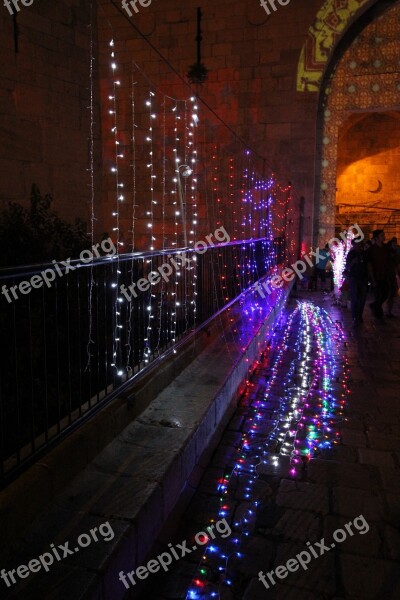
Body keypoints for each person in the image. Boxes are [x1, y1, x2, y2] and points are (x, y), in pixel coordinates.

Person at [366, 229, 388, 320]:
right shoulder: (371, 250)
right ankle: (379, 315)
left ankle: (375, 306)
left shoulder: (385, 248)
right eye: (382, 235)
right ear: (377, 238)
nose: (384, 237)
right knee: (379, 295)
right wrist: (372, 278)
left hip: (385, 274)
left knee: (385, 294)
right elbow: (369, 264)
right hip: (376, 276)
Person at [345, 239, 368, 325]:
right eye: (356, 244)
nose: (358, 245)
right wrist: (353, 262)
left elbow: (368, 265)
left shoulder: (365, 253)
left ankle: (359, 315)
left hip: (363, 278)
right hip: (354, 278)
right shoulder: (351, 254)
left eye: (360, 244)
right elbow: (347, 266)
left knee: (362, 298)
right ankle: (354, 316)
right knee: (354, 297)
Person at [385, 237, 399, 318]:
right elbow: (395, 265)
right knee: (391, 294)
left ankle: (388, 311)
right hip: (390, 275)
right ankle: (388, 311)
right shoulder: (391, 253)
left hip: (392, 275)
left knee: (392, 294)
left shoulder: (394, 252)